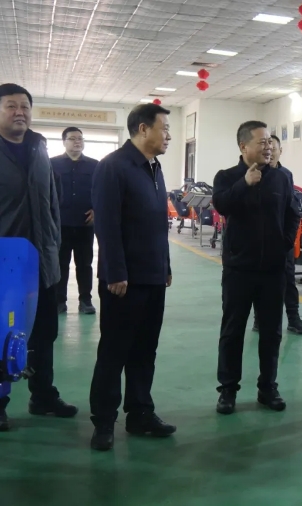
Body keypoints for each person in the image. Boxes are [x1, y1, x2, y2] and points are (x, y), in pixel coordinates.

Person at [89, 103, 175, 451]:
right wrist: (115, 271)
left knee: (145, 350)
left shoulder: (154, 167)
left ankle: (140, 413)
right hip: (123, 281)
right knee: (114, 352)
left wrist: (165, 266)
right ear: (143, 129)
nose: (168, 135)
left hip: (152, 276)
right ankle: (103, 421)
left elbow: (158, 224)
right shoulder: (114, 166)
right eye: (164, 128)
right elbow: (106, 224)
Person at [0, 83, 78, 431]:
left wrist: (54, 243)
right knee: (1, 333)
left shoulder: (39, 148)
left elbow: (51, 201)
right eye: (11, 106)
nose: (20, 112)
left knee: (44, 333)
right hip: (4, 263)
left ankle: (43, 395)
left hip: (42, 260)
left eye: (25, 106)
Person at [212, 120, 300, 415]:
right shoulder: (227, 177)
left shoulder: (282, 177)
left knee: (272, 332)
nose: (268, 146)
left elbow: (292, 214)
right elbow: (221, 205)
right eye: (262, 142)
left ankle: (268, 387)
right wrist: (244, 184)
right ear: (243, 146)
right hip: (238, 269)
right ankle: (228, 389)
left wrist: (283, 244)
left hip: (273, 270)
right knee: (232, 330)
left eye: (270, 142)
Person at [252, 134, 302, 335]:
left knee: (289, 280)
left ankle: (294, 318)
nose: (269, 150)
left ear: (279, 151)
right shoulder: (256, 174)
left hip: (282, 240)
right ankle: (258, 319)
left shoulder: (285, 175)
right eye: (266, 146)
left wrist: (287, 240)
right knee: (259, 281)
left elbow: (291, 209)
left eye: (273, 147)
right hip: (261, 241)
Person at [51, 127, 98, 315]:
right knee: (61, 263)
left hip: (85, 224)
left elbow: (102, 191)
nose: (77, 141)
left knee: (85, 264)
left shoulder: (95, 165)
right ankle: (59, 301)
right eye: (72, 138)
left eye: (80, 138)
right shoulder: (52, 164)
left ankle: (85, 300)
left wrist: (96, 209)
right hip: (60, 224)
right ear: (64, 142)